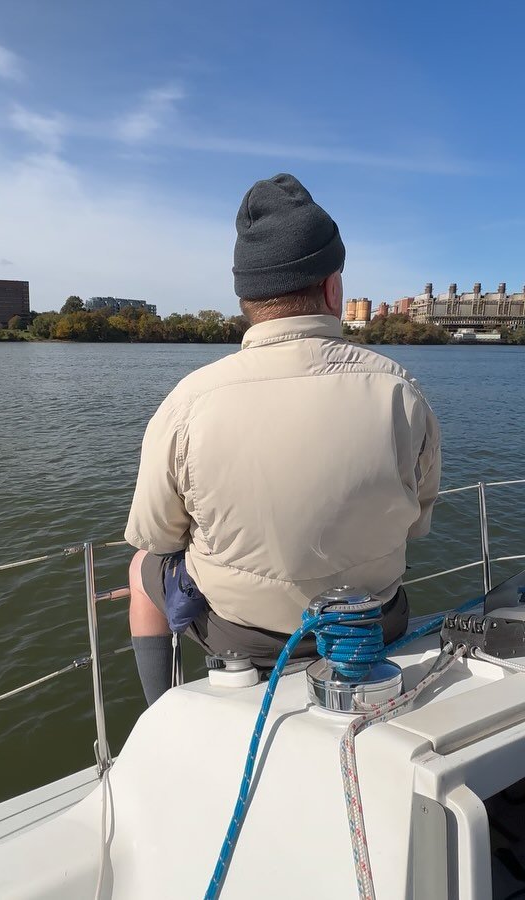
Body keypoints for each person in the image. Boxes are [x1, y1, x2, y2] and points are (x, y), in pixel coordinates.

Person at [125, 173, 441, 706]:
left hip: (242, 632)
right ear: (333, 287)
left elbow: (156, 536)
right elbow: (417, 523)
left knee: (140, 569)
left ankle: (162, 714)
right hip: (376, 620)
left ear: (246, 297)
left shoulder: (189, 401)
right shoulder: (402, 390)